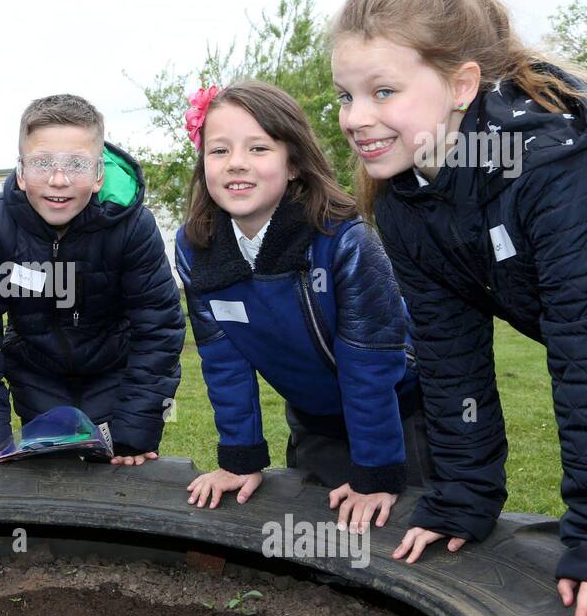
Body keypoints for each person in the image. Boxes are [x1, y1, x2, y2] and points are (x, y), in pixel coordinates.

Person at [331, 0, 587, 616]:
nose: (355, 117)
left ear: (461, 85)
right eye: (344, 96)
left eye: (383, 92)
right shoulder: (408, 202)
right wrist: (461, 497)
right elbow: (449, 359)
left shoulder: (560, 174)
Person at [176, 81, 429, 530]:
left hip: (400, 418)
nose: (236, 163)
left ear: (293, 163)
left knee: (392, 537)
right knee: (313, 545)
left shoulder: (344, 242)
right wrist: (240, 458)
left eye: (258, 148)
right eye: (218, 151)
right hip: (315, 421)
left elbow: (368, 366)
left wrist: (376, 472)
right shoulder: (195, 247)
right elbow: (222, 360)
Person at [0, 94, 183, 463]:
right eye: (42, 163)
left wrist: (132, 434)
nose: (58, 180)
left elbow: (158, 329)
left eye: (77, 164)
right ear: (22, 172)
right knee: (48, 481)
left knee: (114, 488)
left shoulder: (135, 226)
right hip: (36, 376)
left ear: (98, 176)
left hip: (115, 375)